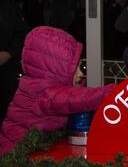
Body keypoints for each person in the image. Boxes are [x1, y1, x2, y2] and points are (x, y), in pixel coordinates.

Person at [0, 26, 115, 155]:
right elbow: (79, 99)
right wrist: (116, 91)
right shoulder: (45, 93)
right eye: (75, 67)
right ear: (57, 68)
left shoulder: (34, 83)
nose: (81, 72)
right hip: (15, 157)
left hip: (30, 151)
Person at [0, 0, 28, 125]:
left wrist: (9, 53)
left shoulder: (9, 6)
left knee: (6, 112)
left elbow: (21, 32)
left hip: (5, 66)